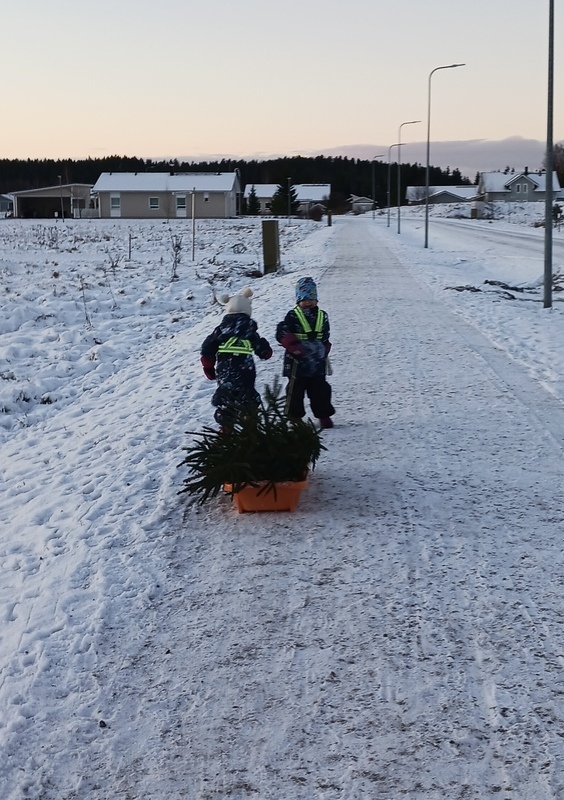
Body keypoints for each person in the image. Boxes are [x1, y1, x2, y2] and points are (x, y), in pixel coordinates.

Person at [200, 288, 272, 428]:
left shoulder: (220, 330)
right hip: (245, 371)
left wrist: (208, 367)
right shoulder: (249, 331)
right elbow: (263, 351)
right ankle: (249, 423)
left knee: (226, 397)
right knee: (247, 396)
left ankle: (225, 426)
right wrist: (266, 351)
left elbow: (207, 349)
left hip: (224, 372)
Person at [276, 276, 335, 428]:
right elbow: (281, 332)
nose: (308, 302)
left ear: (316, 299)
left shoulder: (323, 316)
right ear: (298, 301)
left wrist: (325, 347)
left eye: (311, 298)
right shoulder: (292, 315)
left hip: (316, 361)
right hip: (297, 361)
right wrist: (291, 344)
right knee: (295, 391)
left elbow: (325, 333)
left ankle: (324, 415)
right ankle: (294, 417)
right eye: (304, 299)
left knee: (320, 390)